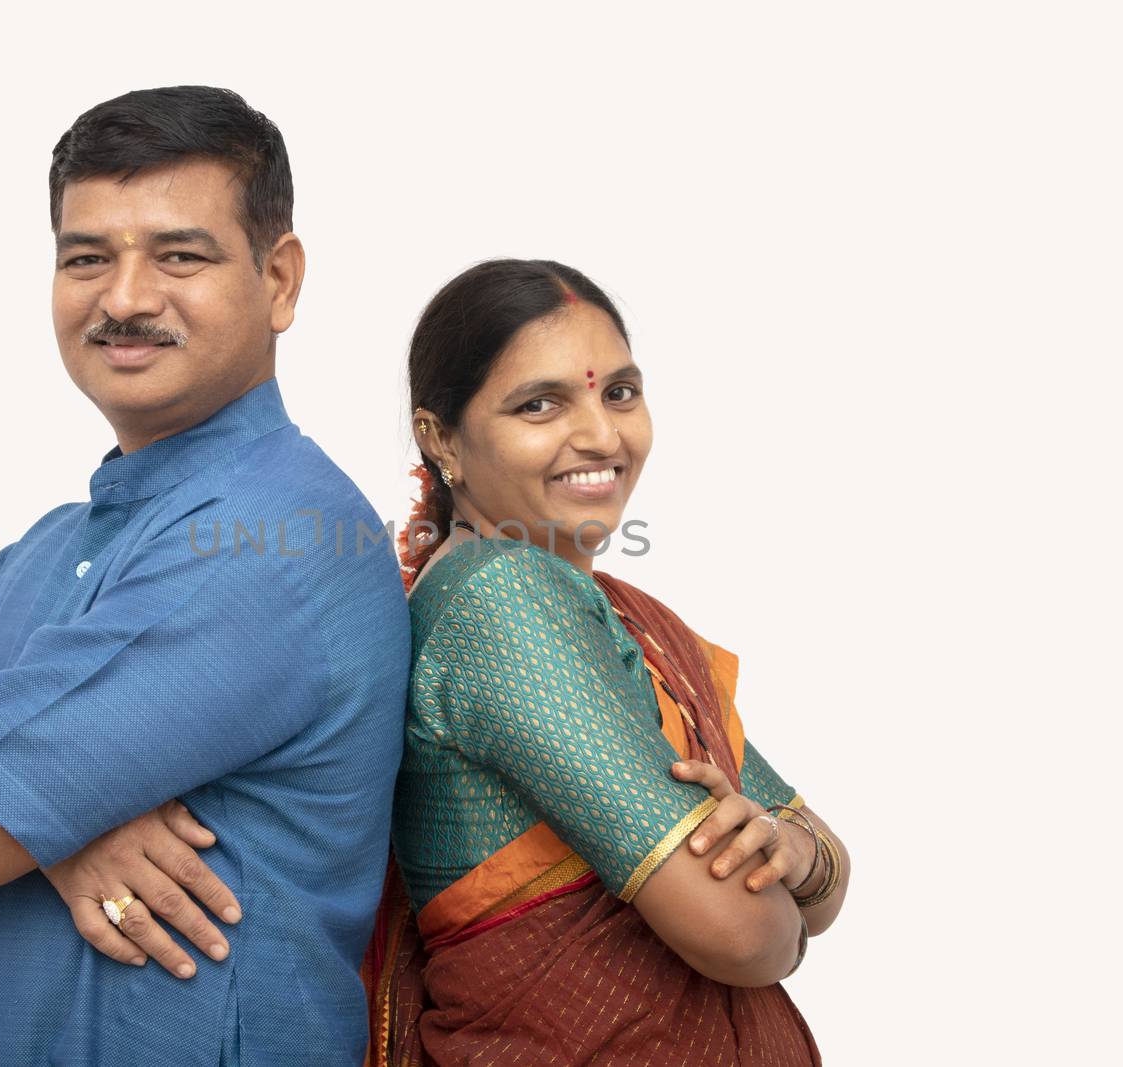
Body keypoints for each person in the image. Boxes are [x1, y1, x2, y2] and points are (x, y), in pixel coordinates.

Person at [0, 87, 411, 1066]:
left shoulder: (278, 537)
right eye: (86, 256)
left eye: (180, 254)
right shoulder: (37, 555)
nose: (126, 297)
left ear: (279, 279)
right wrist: (45, 826)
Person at [363, 259, 851, 1065]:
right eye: (541, 404)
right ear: (440, 437)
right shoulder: (503, 598)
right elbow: (742, 937)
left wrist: (793, 856)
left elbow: (810, 852)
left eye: (618, 392)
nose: (601, 434)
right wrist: (792, 909)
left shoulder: (623, 615)